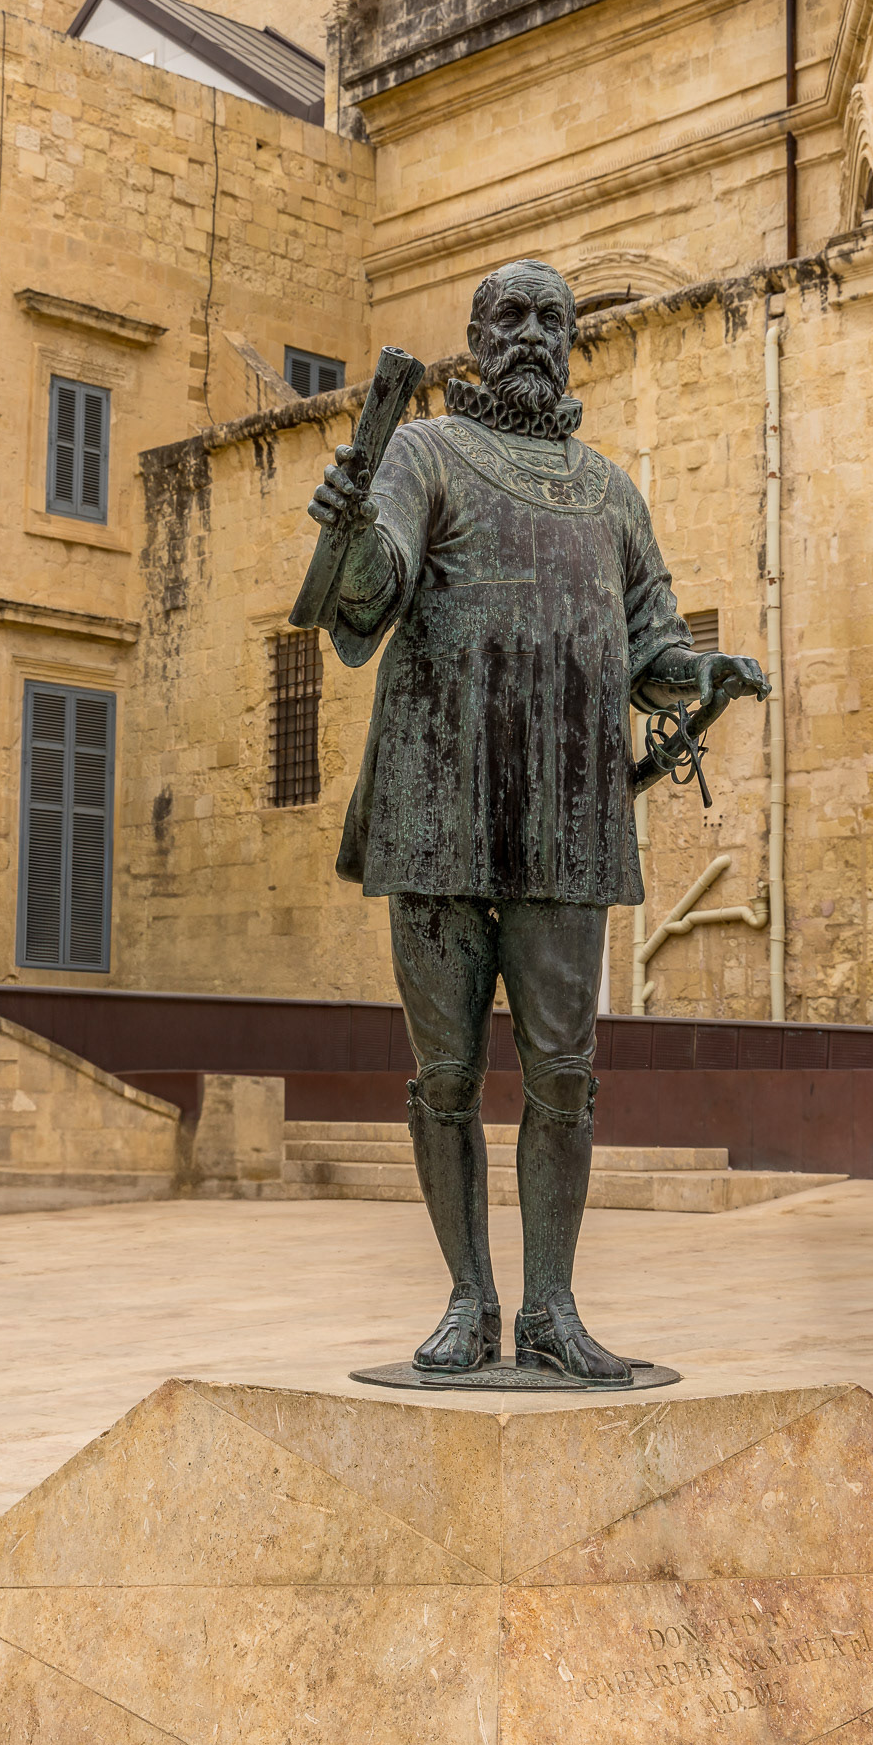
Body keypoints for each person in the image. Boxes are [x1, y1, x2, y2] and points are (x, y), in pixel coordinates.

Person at [306, 259, 769, 1379]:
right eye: (507, 317)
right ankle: (469, 1301)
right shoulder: (423, 453)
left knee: (564, 1072)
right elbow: (368, 592)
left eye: (549, 319)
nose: (529, 335)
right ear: (475, 339)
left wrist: (698, 675)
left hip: (568, 816)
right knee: (445, 1076)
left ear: (569, 342)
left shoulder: (611, 493)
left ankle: (550, 1309)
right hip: (436, 808)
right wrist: (352, 525)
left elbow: (652, 643)